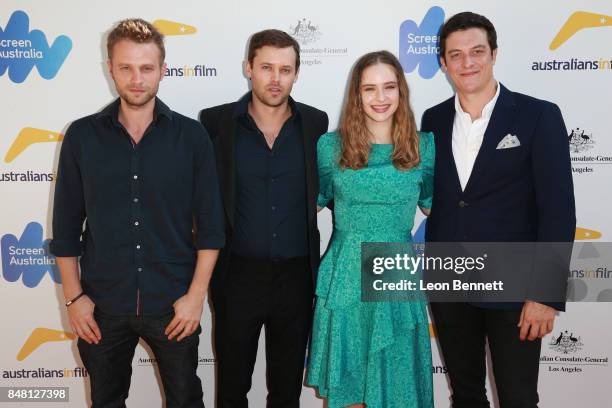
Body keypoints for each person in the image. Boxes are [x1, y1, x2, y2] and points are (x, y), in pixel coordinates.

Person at [50, 18, 224, 407]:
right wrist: (74, 298)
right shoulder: (81, 136)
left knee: (185, 400)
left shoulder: (191, 137)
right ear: (109, 68)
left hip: (173, 305)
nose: (137, 78)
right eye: (126, 67)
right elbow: (64, 227)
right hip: (101, 306)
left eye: (147, 68)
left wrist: (196, 297)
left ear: (163, 70)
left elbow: (212, 227)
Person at [421, 12, 576, 408]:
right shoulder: (432, 120)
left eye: (476, 52)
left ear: (494, 54)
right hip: (450, 283)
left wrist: (544, 293)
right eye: (456, 55)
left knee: (519, 397)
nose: (467, 63)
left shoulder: (538, 115)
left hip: (516, 286)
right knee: (466, 394)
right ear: (443, 62)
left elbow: (558, 210)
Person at [198, 29, 328, 407]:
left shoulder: (316, 125)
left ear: (296, 74)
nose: (275, 78)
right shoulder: (216, 123)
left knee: (287, 390)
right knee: (232, 386)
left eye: (285, 69)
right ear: (248, 68)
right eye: (266, 67)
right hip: (236, 276)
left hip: (297, 278)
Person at [307, 50, 434, 408]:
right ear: (356, 95)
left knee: (398, 388)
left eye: (389, 87)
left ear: (401, 91)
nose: (380, 98)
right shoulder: (330, 147)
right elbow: (309, 203)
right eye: (369, 89)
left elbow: (439, 205)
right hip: (346, 277)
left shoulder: (424, 147)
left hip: (395, 275)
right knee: (350, 389)